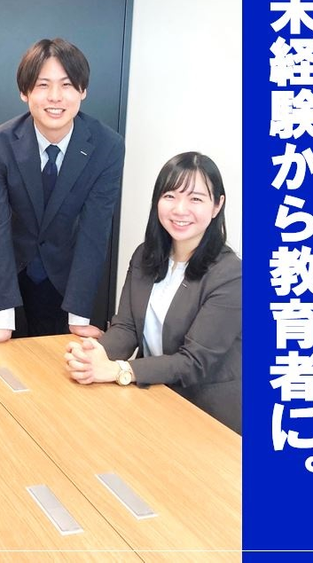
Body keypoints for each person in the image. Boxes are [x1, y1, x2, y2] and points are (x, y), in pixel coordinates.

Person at [64, 152, 242, 434]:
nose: (180, 209)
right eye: (170, 196)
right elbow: (127, 327)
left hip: (206, 413)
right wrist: (94, 355)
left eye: (196, 199)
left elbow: (194, 362)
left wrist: (121, 370)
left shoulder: (231, 274)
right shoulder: (145, 256)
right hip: (154, 396)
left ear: (217, 205)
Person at [0, 38, 125, 343]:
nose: (55, 97)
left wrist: (79, 317)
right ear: (24, 92)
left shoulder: (108, 146)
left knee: (53, 351)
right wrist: (3, 321)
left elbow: (95, 230)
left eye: (67, 85)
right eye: (42, 85)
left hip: (62, 262)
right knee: (2, 347)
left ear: (83, 90)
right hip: (3, 258)